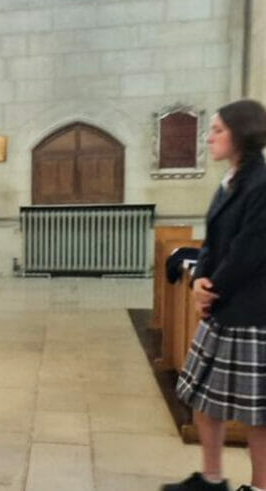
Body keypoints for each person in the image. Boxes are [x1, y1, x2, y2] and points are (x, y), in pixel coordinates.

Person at [163, 99, 266, 491]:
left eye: (218, 130)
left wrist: (212, 289)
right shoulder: (231, 180)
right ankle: (211, 478)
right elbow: (213, 239)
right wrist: (199, 279)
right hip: (222, 306)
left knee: (258, 413)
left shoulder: (261, 184)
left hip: (251, 311)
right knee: (204, 397)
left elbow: (249, 251)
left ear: (243, 134)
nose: (209, 137)